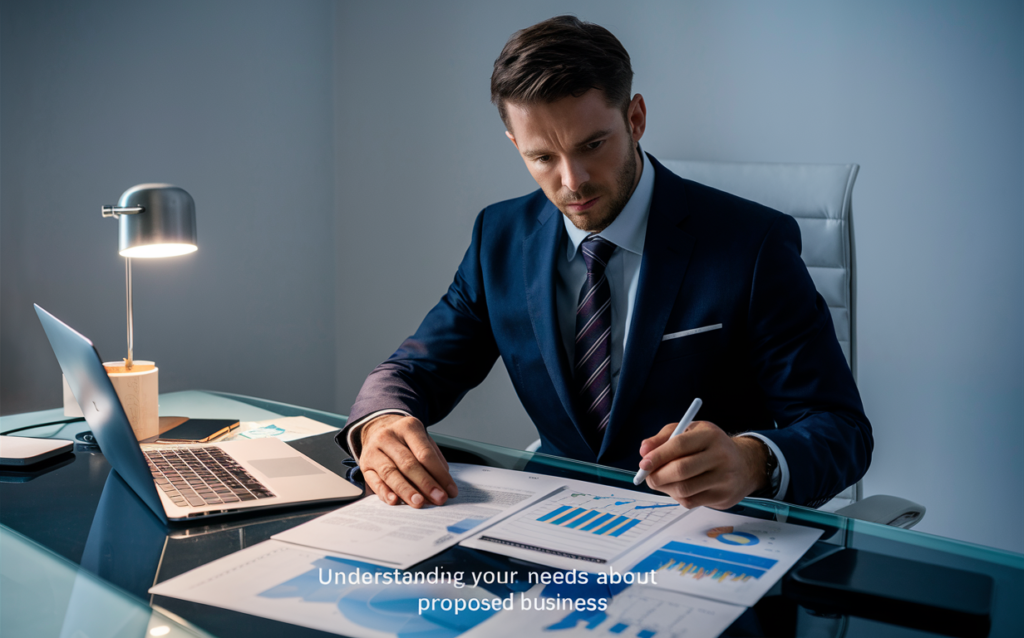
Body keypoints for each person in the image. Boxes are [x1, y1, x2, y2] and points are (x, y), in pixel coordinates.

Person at [339, 16, 872, 512]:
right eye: (542, 157)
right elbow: (416, 369)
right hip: (551, 528)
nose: (572, 181)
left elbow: (841, 429)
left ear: (635, 118)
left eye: (592, 145)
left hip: (706, 539)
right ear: (515, 145)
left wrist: (751, 461)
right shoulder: (498, 237)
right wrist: (382, 420)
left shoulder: (753, 244)